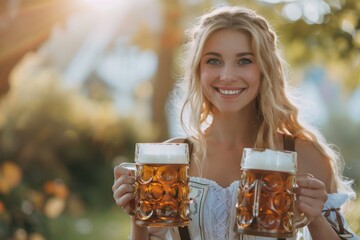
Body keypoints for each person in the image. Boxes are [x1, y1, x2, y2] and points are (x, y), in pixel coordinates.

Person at [112, 5, 359, 240]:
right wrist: (138, 217)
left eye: (244, 61)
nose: (227, 76)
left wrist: (315, 218)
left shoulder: (302, 156)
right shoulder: (173, 160)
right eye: (213, 61)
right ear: (199, 70)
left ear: (265, 69)